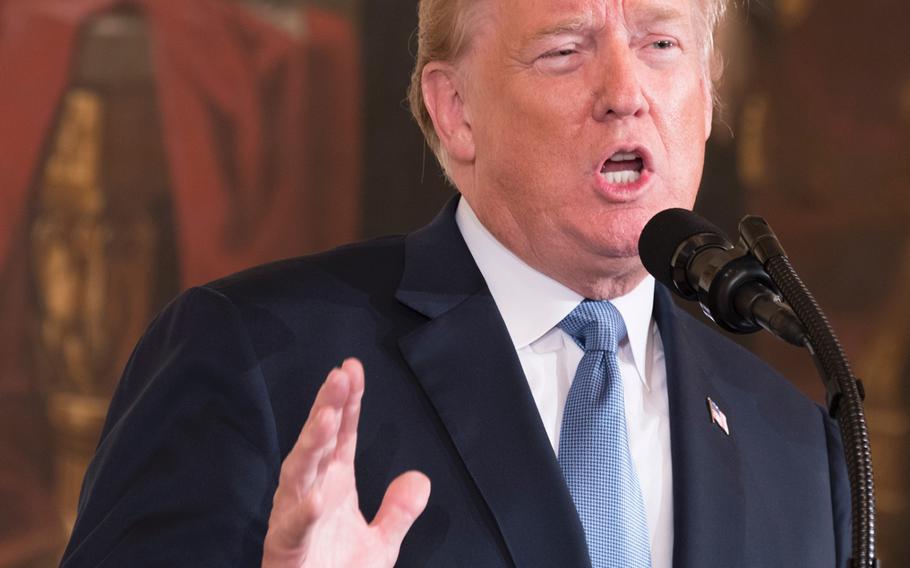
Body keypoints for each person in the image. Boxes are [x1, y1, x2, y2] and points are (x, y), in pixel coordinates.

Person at [62, 0, 851, 566]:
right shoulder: (252, 357)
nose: (625, 92)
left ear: (708, 97)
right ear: (454, 113)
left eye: (662, 45)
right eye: (565, 49)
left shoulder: (798, 447)